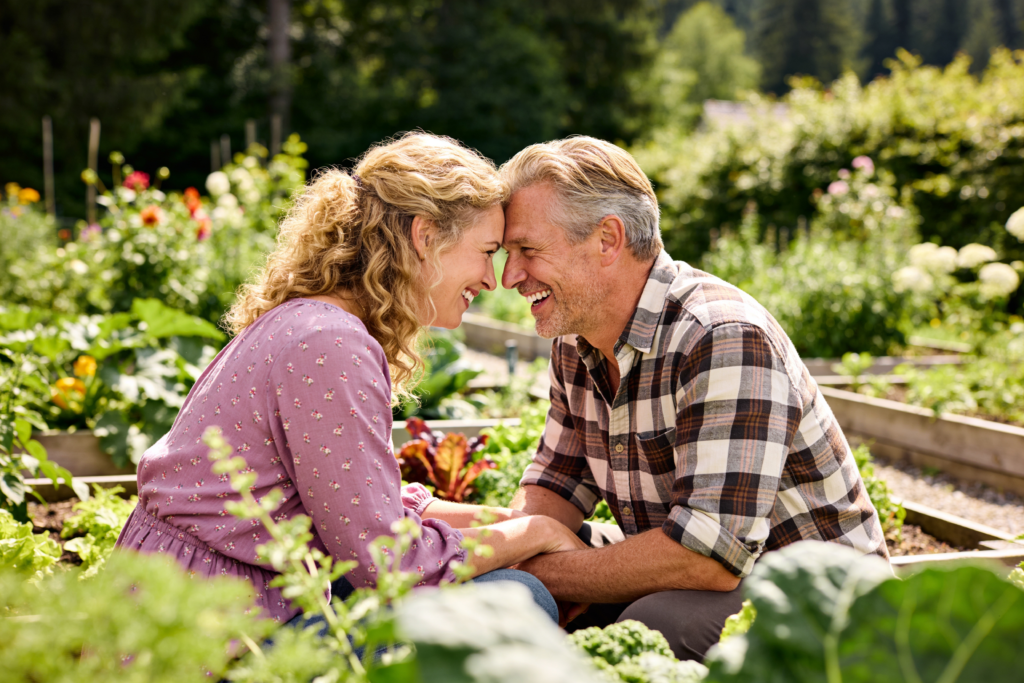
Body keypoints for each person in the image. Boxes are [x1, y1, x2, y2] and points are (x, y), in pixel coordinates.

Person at [115, 133, 586, 626]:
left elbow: (359, 506)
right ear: (425, 236)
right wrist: (536, 534)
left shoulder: (312, 322)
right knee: (517, 597)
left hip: (191, 605)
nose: (492, 279)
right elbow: (390, 564)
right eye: (487, 251)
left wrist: (516, 524)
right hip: (210, 634)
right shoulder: (331, 344)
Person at [497, 136, 889, 660]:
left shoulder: (722, 336)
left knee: (658, 625)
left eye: (527, 250)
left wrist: (545, 572)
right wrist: (512, 557)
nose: (510, 276)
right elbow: (556, 483)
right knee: (519, 582)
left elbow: (709, 555)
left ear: (607, 239)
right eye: (507, 254)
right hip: (709, 573)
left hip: (830, 609)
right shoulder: (578, 342)